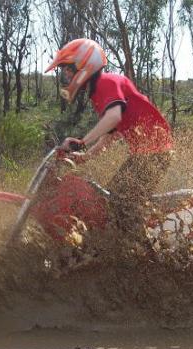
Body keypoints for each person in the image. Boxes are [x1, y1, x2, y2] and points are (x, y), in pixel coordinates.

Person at [45, 39, 173, 248]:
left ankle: (145, 255)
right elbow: (112, 133)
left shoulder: (107, 82)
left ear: (84, 64)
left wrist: (82, 142)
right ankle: (119, 248)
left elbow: (113, 118)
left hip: (155, 152)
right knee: (110, 202)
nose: (66, 75)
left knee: (121, 203)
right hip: (147, 152)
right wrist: (86, 156)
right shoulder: (99, 92)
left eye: (68, 69)